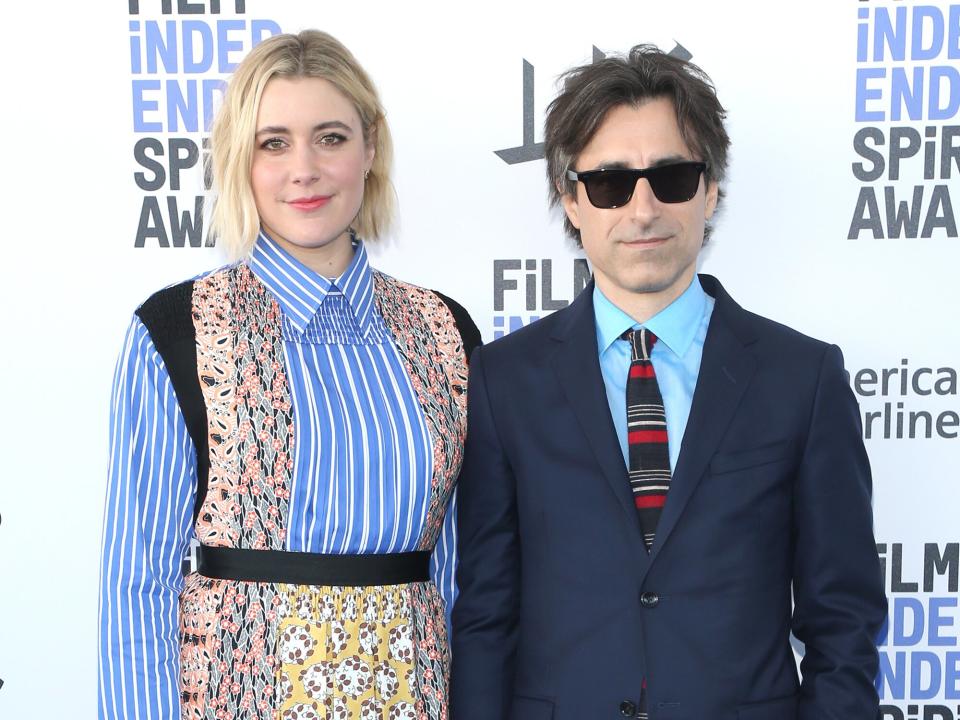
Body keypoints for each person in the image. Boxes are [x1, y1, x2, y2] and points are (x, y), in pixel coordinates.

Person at [451, 45, 885, 719]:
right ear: (571, 200)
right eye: (610, 184)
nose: (644, 208)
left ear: (710, 189)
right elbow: (485, 616)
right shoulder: (505, 381)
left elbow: (844, 621)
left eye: (672, 177)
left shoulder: (804, 378)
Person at [99, 30, 479, 720]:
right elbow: (137, 583)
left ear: (370, 150)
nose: (303, 168)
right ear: (240, 161)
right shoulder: (177, 329)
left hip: (413, 699)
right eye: (273, 143)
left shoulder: (444, 332)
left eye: (330, 138)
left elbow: (461, 572)